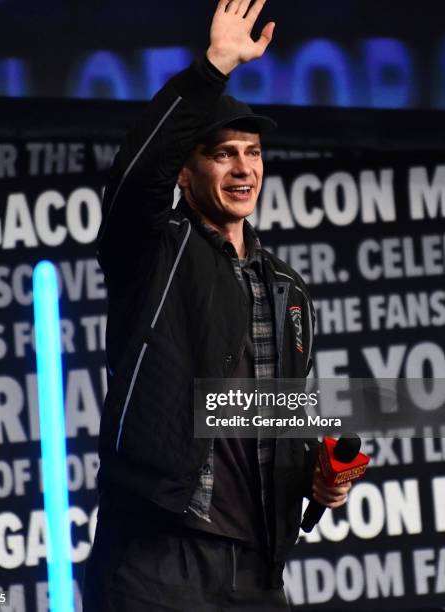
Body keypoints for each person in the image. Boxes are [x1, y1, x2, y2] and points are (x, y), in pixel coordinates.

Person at [84, 1, 351, 610]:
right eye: (223, 152)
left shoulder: (287, 287)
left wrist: (316, 475)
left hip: (257, 566)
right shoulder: (154, 248)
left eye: (253, 153)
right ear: (185, 172)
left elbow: (279, 413)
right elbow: (136, 175)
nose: (242, 168)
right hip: (159, 556)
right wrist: (213, 68)